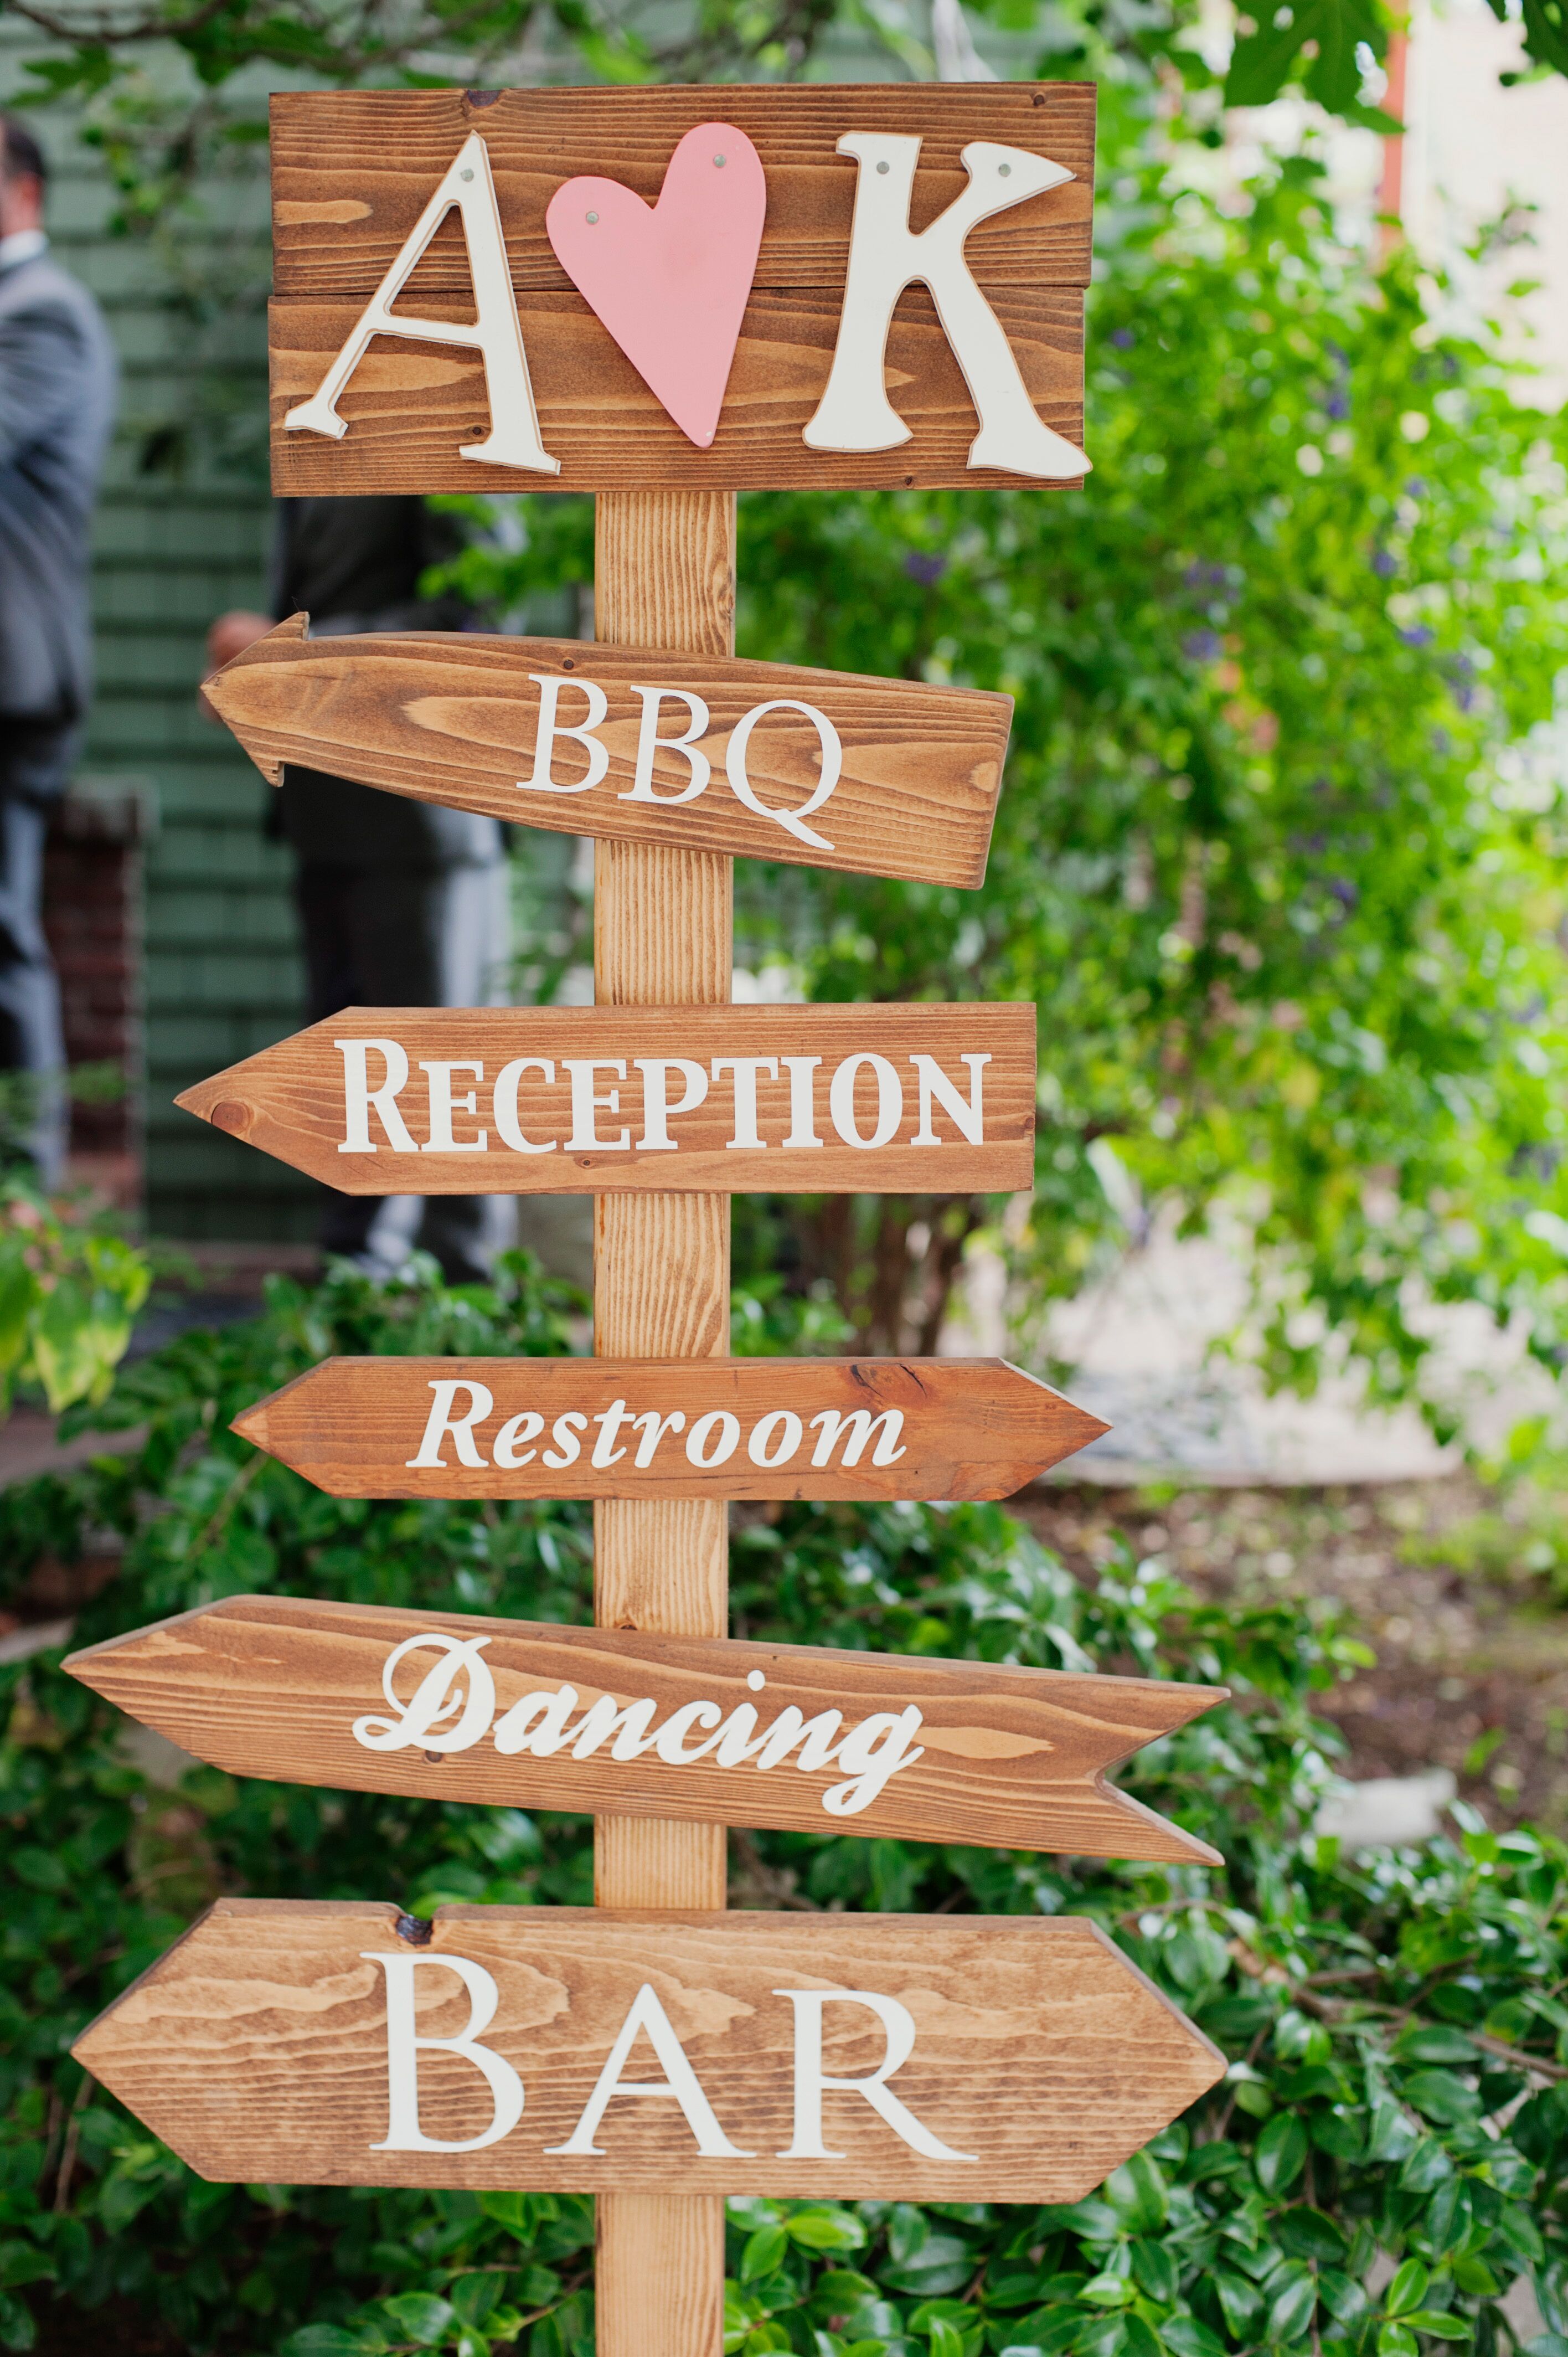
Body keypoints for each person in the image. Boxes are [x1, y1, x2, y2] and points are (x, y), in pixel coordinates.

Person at [206, 496, 515, 1285]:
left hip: (420, 815)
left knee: (444, 1083)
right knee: (350, 1079)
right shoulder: (314, 444)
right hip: (323, 811)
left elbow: (476, 616)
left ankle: (468, 1326)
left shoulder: (453, 420)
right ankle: (355, 1304)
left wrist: (298, 662)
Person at [0, 114, 117, 1183]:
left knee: (1, 929)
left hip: (13, 681)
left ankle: (26, 1183)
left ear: (25, 194)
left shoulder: (46, 317)